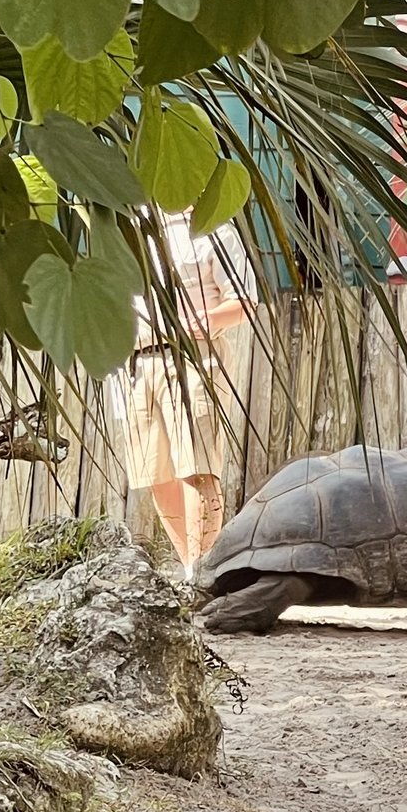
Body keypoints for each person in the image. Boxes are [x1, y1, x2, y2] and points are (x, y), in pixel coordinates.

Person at [126, 209, 259, 578]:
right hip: (136, 360)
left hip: (192, 357)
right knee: (155, 473)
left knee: (197, 468)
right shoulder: (129, 227)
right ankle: (192, 570)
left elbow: (245, 300)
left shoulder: (213, 228)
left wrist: (205, 321)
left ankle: (203, 572)